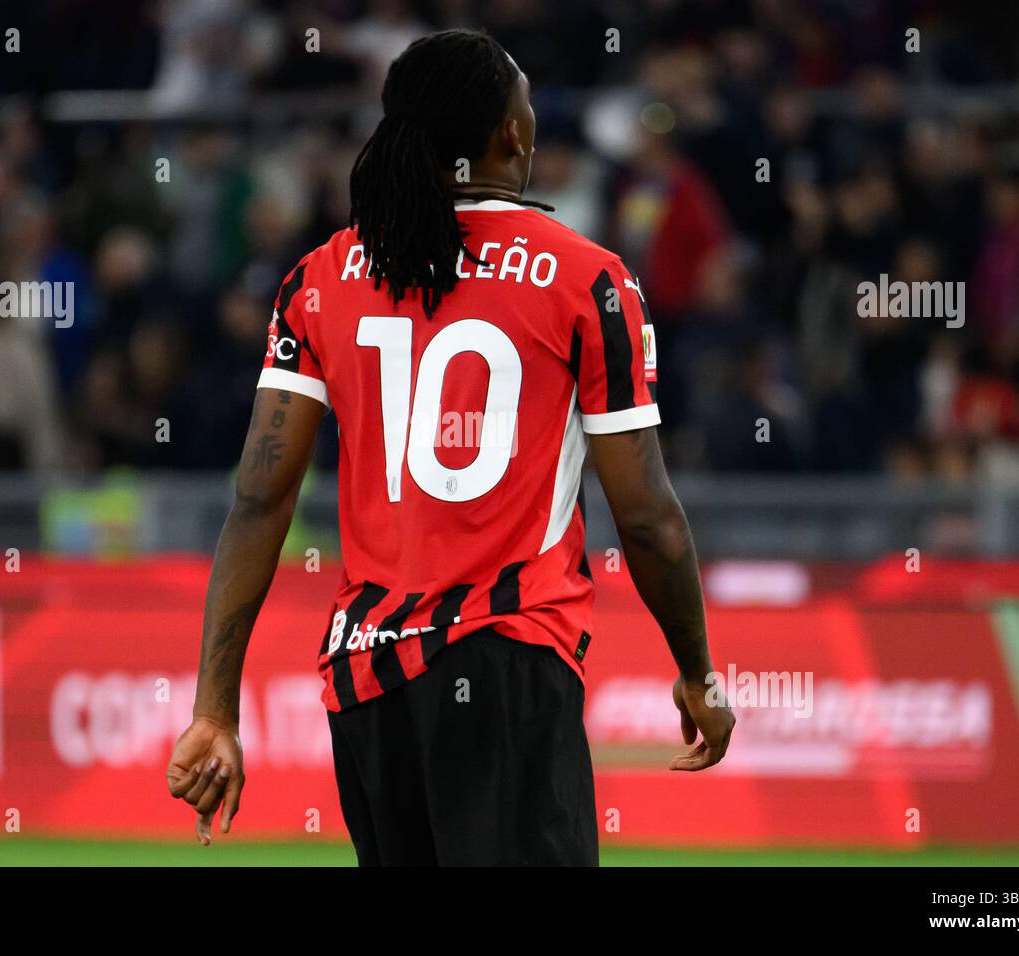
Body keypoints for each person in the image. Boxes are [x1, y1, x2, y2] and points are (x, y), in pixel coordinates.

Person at [165, 29, 734, 866]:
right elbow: (645, 514)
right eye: (529, 105)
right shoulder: (589, 279)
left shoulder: (322, 276)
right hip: (505, 661)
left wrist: (214, 709)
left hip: (366, 684)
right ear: (512, 134)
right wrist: (697, 672)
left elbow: (258, 497)